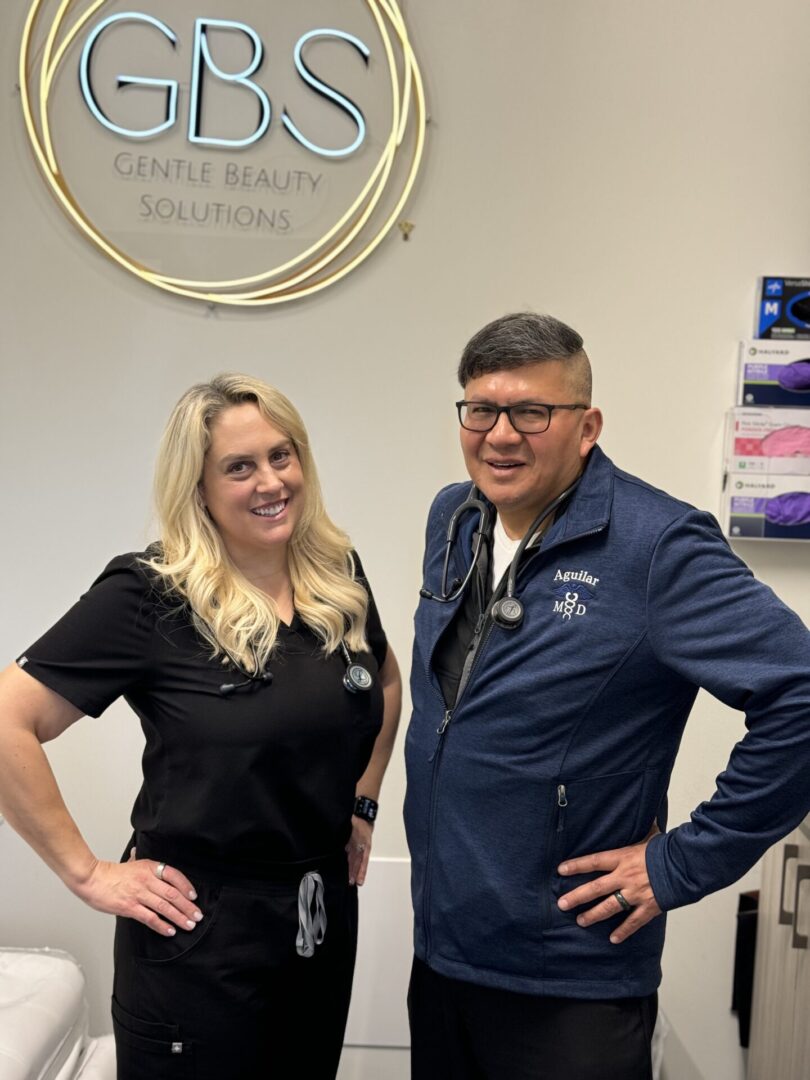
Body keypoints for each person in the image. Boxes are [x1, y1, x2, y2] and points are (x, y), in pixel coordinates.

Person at [403, 312, 810, 1080]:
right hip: (446, 951)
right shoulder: (454, 518)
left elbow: (801, 692)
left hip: (568, 980)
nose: (500, 435)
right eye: (481, 409)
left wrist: (680, 864)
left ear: (586, 426)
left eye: (531, 412)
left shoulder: (656, 547)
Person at [0, 373, 401, 1080]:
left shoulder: (335, 573)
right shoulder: (150, 593)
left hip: (320, 917)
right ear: (199, 488)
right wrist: (87, 873)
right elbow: (8, 719)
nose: (270, 481)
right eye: (238, 467)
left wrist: (362, 804)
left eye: (282, 455)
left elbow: (384, 683)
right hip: (199, 937)